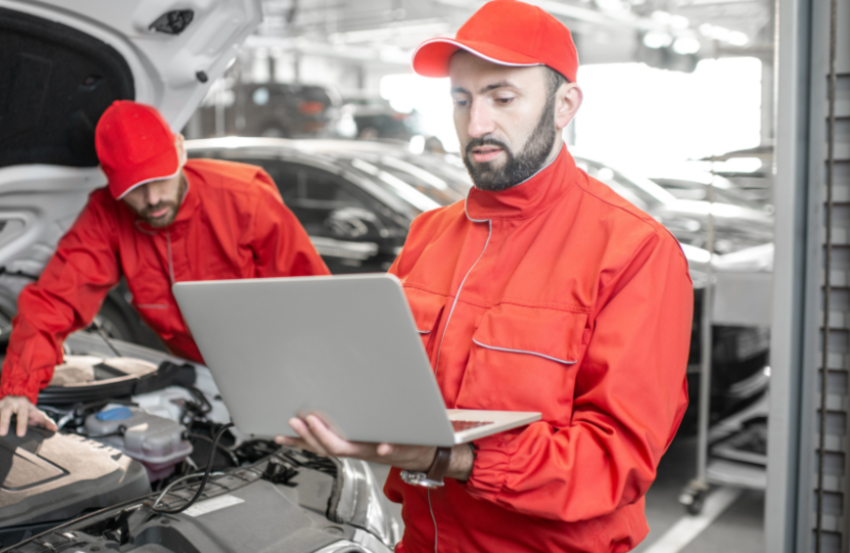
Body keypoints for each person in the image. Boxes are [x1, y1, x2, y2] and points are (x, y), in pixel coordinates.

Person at [276, 1, 693, 551]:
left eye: (503, 98)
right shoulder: (429, 235)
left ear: (565, 104)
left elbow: (615, 461)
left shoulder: (634, 250)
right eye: (461, 99)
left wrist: (451, 458)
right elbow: (386, 385)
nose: (477, 125)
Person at [0, 100, 329, 437]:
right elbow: (55, 298)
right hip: (201, 378)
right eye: (134, 188)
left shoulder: (246, 199)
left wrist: (314, 384)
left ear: (180, 151)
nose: (152, 199)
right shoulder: (107, 214)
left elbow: (313, 301)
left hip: (278, 372)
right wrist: (18, 389)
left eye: (159, 179)